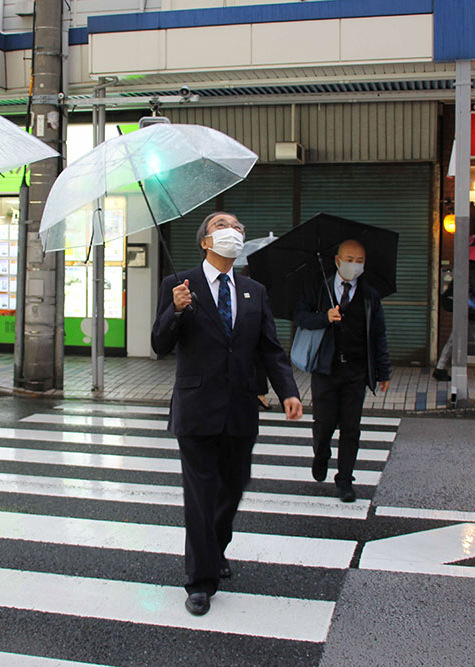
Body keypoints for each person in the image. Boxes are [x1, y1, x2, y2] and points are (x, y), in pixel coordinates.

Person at [151, 211, 302, 617]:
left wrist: (288, 391)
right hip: (197, 408)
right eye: (222, 225)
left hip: (240, 407)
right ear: (205, 240)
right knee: (200, 496)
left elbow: (269, 348)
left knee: (232, 488)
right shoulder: (178, 284)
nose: (232, 231)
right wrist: (176, 310)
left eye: (238, 226)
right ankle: (199, 581)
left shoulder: (253, 290)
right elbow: (159, 344)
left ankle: (215, 548)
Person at [293, 239, 391, 503]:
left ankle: (345, 480)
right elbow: (299, 316)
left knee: (351, 428)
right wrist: (324, 317)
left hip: (356, 370)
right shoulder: (319, 286)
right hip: (325, 369)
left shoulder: (370, 295)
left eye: (359, 261)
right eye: (349, 260)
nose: (353, 266)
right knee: (324, 424)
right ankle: (321, 453)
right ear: (337, 260)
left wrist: (384, 371)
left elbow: (379, 334)